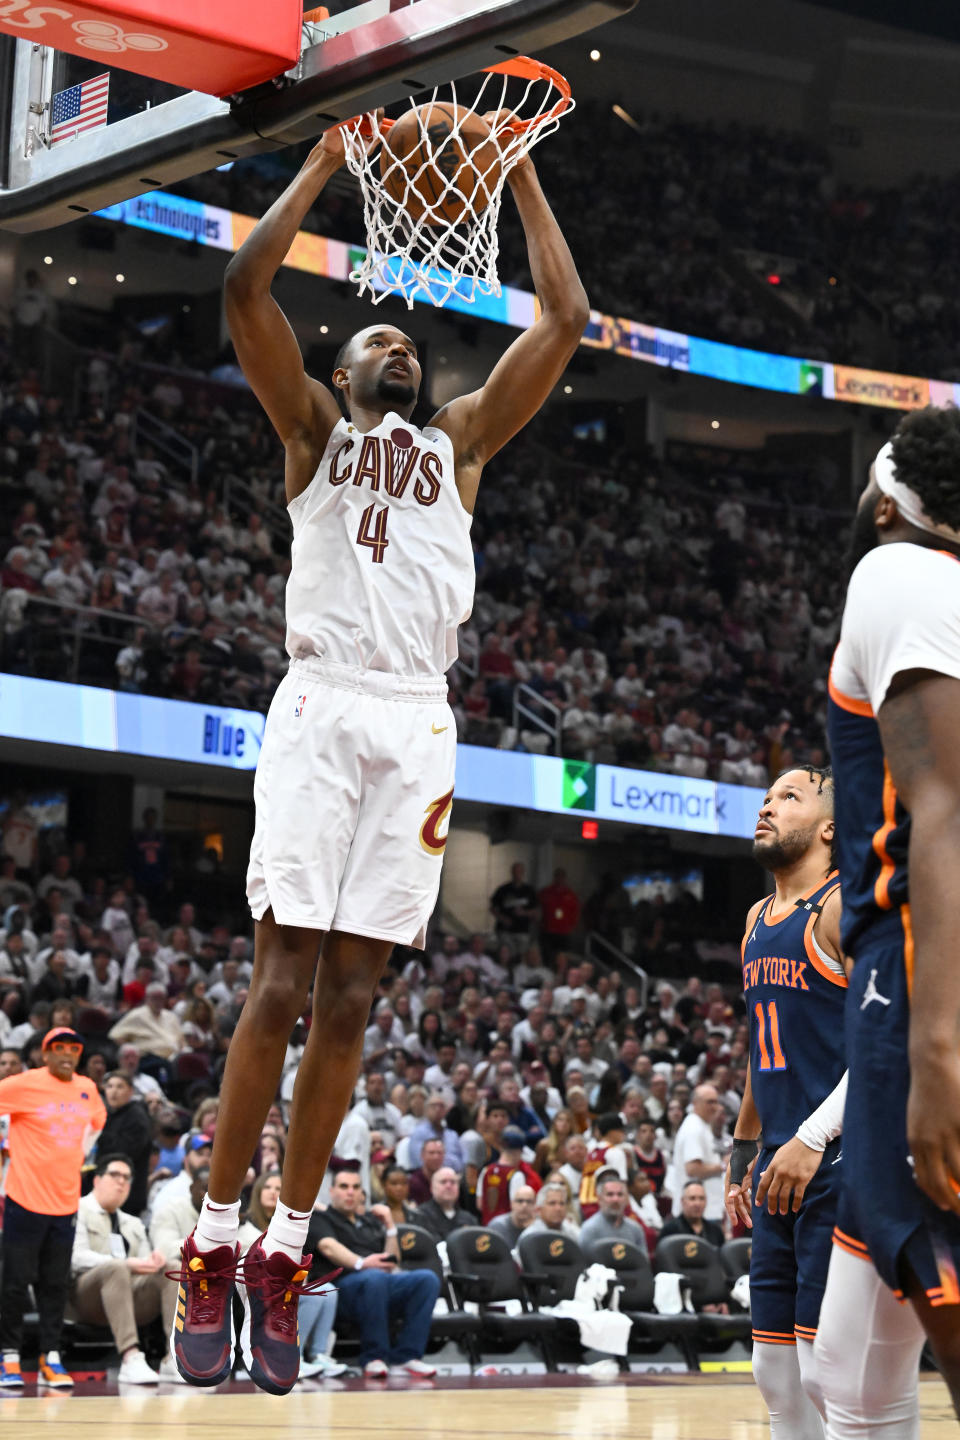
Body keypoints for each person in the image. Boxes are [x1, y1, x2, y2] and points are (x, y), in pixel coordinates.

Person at [172, 113, 588, 1397]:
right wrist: (323, 165)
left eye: (408, 338)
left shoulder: (459, 444)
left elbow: (565, 320)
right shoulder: (310, 435)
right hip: (322, 701)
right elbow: (247, 288)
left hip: (416, 715)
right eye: (375, 338)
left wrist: (512, 168)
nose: (398, 345)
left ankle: (288, 1251)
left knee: (352, 998)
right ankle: (211, 1237)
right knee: (280, 976)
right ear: (341, 368)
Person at [816, 413, 960, 1434]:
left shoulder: (897, 575)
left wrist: (937, 1046)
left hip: (919, 964)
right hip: (907, 965)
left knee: (940, 1278)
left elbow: (941, 814)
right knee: (850, 1366)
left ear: (884, 501)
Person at [724, 765, 847, 1440]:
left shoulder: (841, 907)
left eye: (789, 797)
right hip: (779, 1163)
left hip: (841, 1160)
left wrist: (811, 1137)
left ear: (829, 827)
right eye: (767, 798)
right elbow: (759, 1049)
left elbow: (887, 1047)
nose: (767, 807)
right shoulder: (755, 919)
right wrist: (746, 1153)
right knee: (775, 1372)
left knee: (827, 1371)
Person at [0, 1026, 106, 1389]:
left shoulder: (87, 1088)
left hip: (65, 1204)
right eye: (57, 1047)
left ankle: (51, 1357)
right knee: (15, 1284)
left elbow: (97, 1122)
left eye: (72, 1048)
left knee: (55, 1286)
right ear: (44, 1054)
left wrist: (79, 1153)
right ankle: (9, 1358)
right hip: (23, 1201)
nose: (65, 1053)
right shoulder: (23, 1084)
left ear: (78, 1055)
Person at [313, 1169, 440, 1378]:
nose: (350, 1192)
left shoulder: (370, 1221)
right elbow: (328, 1247)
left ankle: (406, 1357)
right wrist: (362, 1263)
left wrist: (390, 1226)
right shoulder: (321, 1218)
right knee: (375, 1277)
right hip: (340, 1289)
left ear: (362, 1193)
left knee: (427, 1279)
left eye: (355, 1187)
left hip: (378, 1286)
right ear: (332, 1190)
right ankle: (374, 1357)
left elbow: (392, 1260)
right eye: (344, 1187)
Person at [69, 1153, 180, 1384]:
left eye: (127, 1178)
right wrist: (127, 1264)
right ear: (97, 1180)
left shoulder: (134, 1223)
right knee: (116, 1267)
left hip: (127, 1296)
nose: (121, 1181)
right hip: (85, 1298)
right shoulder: (77, 1210)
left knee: (172, 1268)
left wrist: (153, 1261)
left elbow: (142, 1264)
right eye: (115, 1175)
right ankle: (131, 1356)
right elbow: (76, 1258)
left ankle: (175, 1357)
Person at [97, 1071, 154, 1215]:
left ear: (131, 1091)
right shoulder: (108, 1114)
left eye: (119, 1087)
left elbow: (125, 1153)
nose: (113, 1091)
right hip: (108, 1190)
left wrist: (99, 1135)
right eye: (109, 1086)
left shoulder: (137, 1116)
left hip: (128, 1194)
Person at [667, 1084, 725, 1220]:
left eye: (716, 1102)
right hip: (697, 1213)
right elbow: (693, 1169)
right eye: (709, 1102)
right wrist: (723, 1165)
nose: (715, 1107)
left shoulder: (702, 1125)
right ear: (695, 1103)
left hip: (707, 1210)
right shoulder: (693, 1128)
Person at [476, 1126, 542, 1225]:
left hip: (487, 1227)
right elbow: (519, 1209)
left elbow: (480, 1204)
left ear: (501, 1147)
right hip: (507, 1229)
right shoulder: (516, 1175)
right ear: (519, 1151)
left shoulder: (486, 1170)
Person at [579, 1113, 633, 1221]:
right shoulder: (615, 1152)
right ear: (612, 1131)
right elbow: (621, 1186)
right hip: (606, 1208)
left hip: (584, 1206)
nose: (623, 1134)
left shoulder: (591, 1152)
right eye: (621, 1130)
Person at [579, 1172, 651, 1251]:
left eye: (620, 1194)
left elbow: (643, 1262)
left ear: (626, 1199)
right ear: (599, 1198)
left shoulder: (635, 1229)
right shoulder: (589, 1230)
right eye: (610, 1194)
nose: (615, 1199)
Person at [490, 863, 540, 954]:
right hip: (505, 930)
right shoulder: (503, 889)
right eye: (515, 872)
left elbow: (536, 911)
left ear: (523, 873)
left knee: (521, 956)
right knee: (507, 954)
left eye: (519, 872)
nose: (517, 874)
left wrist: (524, 913)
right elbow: (492, 908)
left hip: (522, 930)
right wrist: (502, 918)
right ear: (512, 872)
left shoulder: (529, 890)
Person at [413, 1167, 474, 1242]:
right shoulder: (420, 1215)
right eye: (443, 1182)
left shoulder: (469, 1218)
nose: (448, 1186)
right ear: (432, 1188)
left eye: (453, 1182)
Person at [662, 1180, 724, 1247]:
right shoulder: (669, 1231)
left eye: (701, 1198)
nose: (697, 1203)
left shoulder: (715, 1231)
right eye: (692, 1198)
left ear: (706, 1201)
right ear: (682, 1201)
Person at [487, 1184, 538, 1249]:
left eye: (529, 1201)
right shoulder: (498, 1226)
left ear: (535, 1205)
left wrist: (532, 1228)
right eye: (520, 1201)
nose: (524, 1205)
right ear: (512, 1204)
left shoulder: (539, 1226)